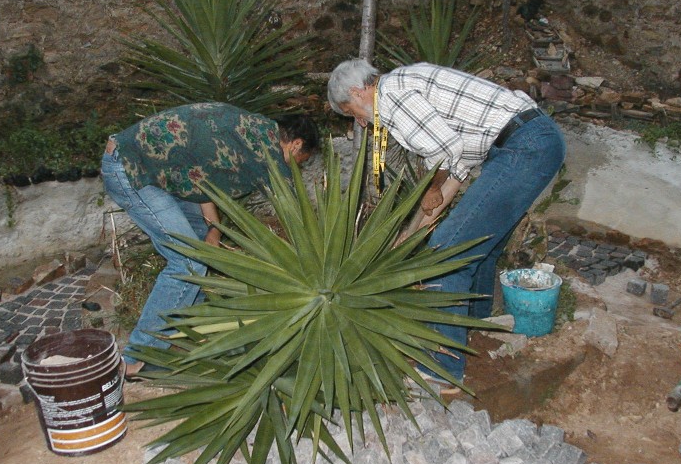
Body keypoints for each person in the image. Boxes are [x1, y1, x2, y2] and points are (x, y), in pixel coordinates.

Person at [328, 60, 565, 385]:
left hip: (523, 147)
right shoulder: (406, 84)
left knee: (448, 256)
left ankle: (441, 370)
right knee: (477, 247)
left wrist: (429, 187)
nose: (360, 121)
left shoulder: (391, 94)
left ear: (359, 91)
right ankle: (474, 327)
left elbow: (444, 153)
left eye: (351, 111)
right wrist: (409, 235)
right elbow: (455, 168)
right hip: (532, 142)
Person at [101, 102, 319, 378]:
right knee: (189, 261)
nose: (300, 167)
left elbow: (201, 172)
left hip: (157, 171)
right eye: (305, 160)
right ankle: (135, 359)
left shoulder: (255, 130)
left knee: (199, 244)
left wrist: (213, 230)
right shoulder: (265, 151)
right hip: (132, 171)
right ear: (297, 144)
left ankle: (183, 324)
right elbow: (292, 210)